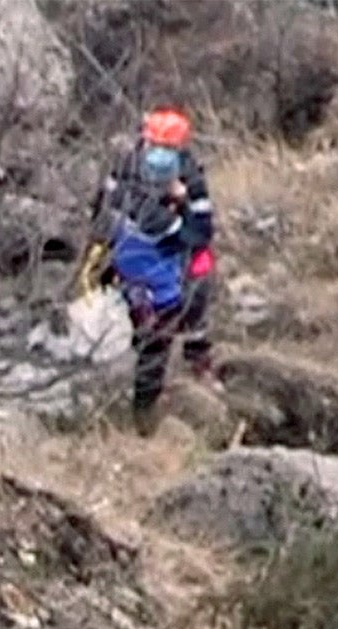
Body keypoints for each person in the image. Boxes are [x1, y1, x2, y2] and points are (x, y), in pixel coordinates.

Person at [93, 107, 218, 426]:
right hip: (132, 255)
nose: (159, 155)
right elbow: (101, 211)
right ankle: (141, 408)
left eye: (167, 149)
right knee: (152, 333)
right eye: (154, 146)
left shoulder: (190, 174)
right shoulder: (125, 167)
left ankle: (194, 351)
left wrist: (180, 214)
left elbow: (201, 230)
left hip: (167, 251)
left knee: (196, 284)